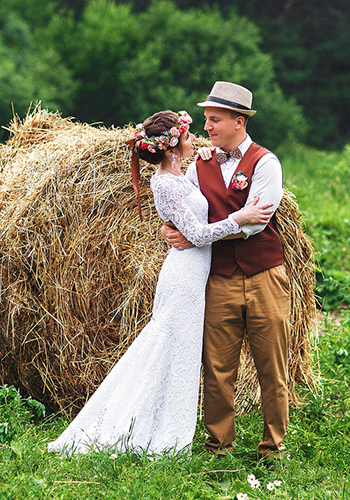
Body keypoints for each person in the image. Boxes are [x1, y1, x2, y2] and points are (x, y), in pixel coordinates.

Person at [47, 110, 274, 457]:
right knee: (174, 352)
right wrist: (238, 218)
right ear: (171, 148)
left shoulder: (180, 175)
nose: (195, 136)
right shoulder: (165, 182)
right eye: (186, 134)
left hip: (197, 274)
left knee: (180, 356)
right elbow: (197, 234)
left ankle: (166, 429)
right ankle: (163, 436)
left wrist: (200, 160)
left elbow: (192, 217)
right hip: (184, 276)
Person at [162, 82, 292, 461]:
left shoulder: (266, 163)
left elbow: (256, 222)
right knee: (217, 368)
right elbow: (182, 212)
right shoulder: (199, 165)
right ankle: (220, 446)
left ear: (240, 121)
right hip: (218, 278)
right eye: (206, 120)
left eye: (215, 120)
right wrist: (177, 229)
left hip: (265, 275)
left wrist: (199, 236)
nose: (208, 128)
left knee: (272, 365)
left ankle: (273, 448)